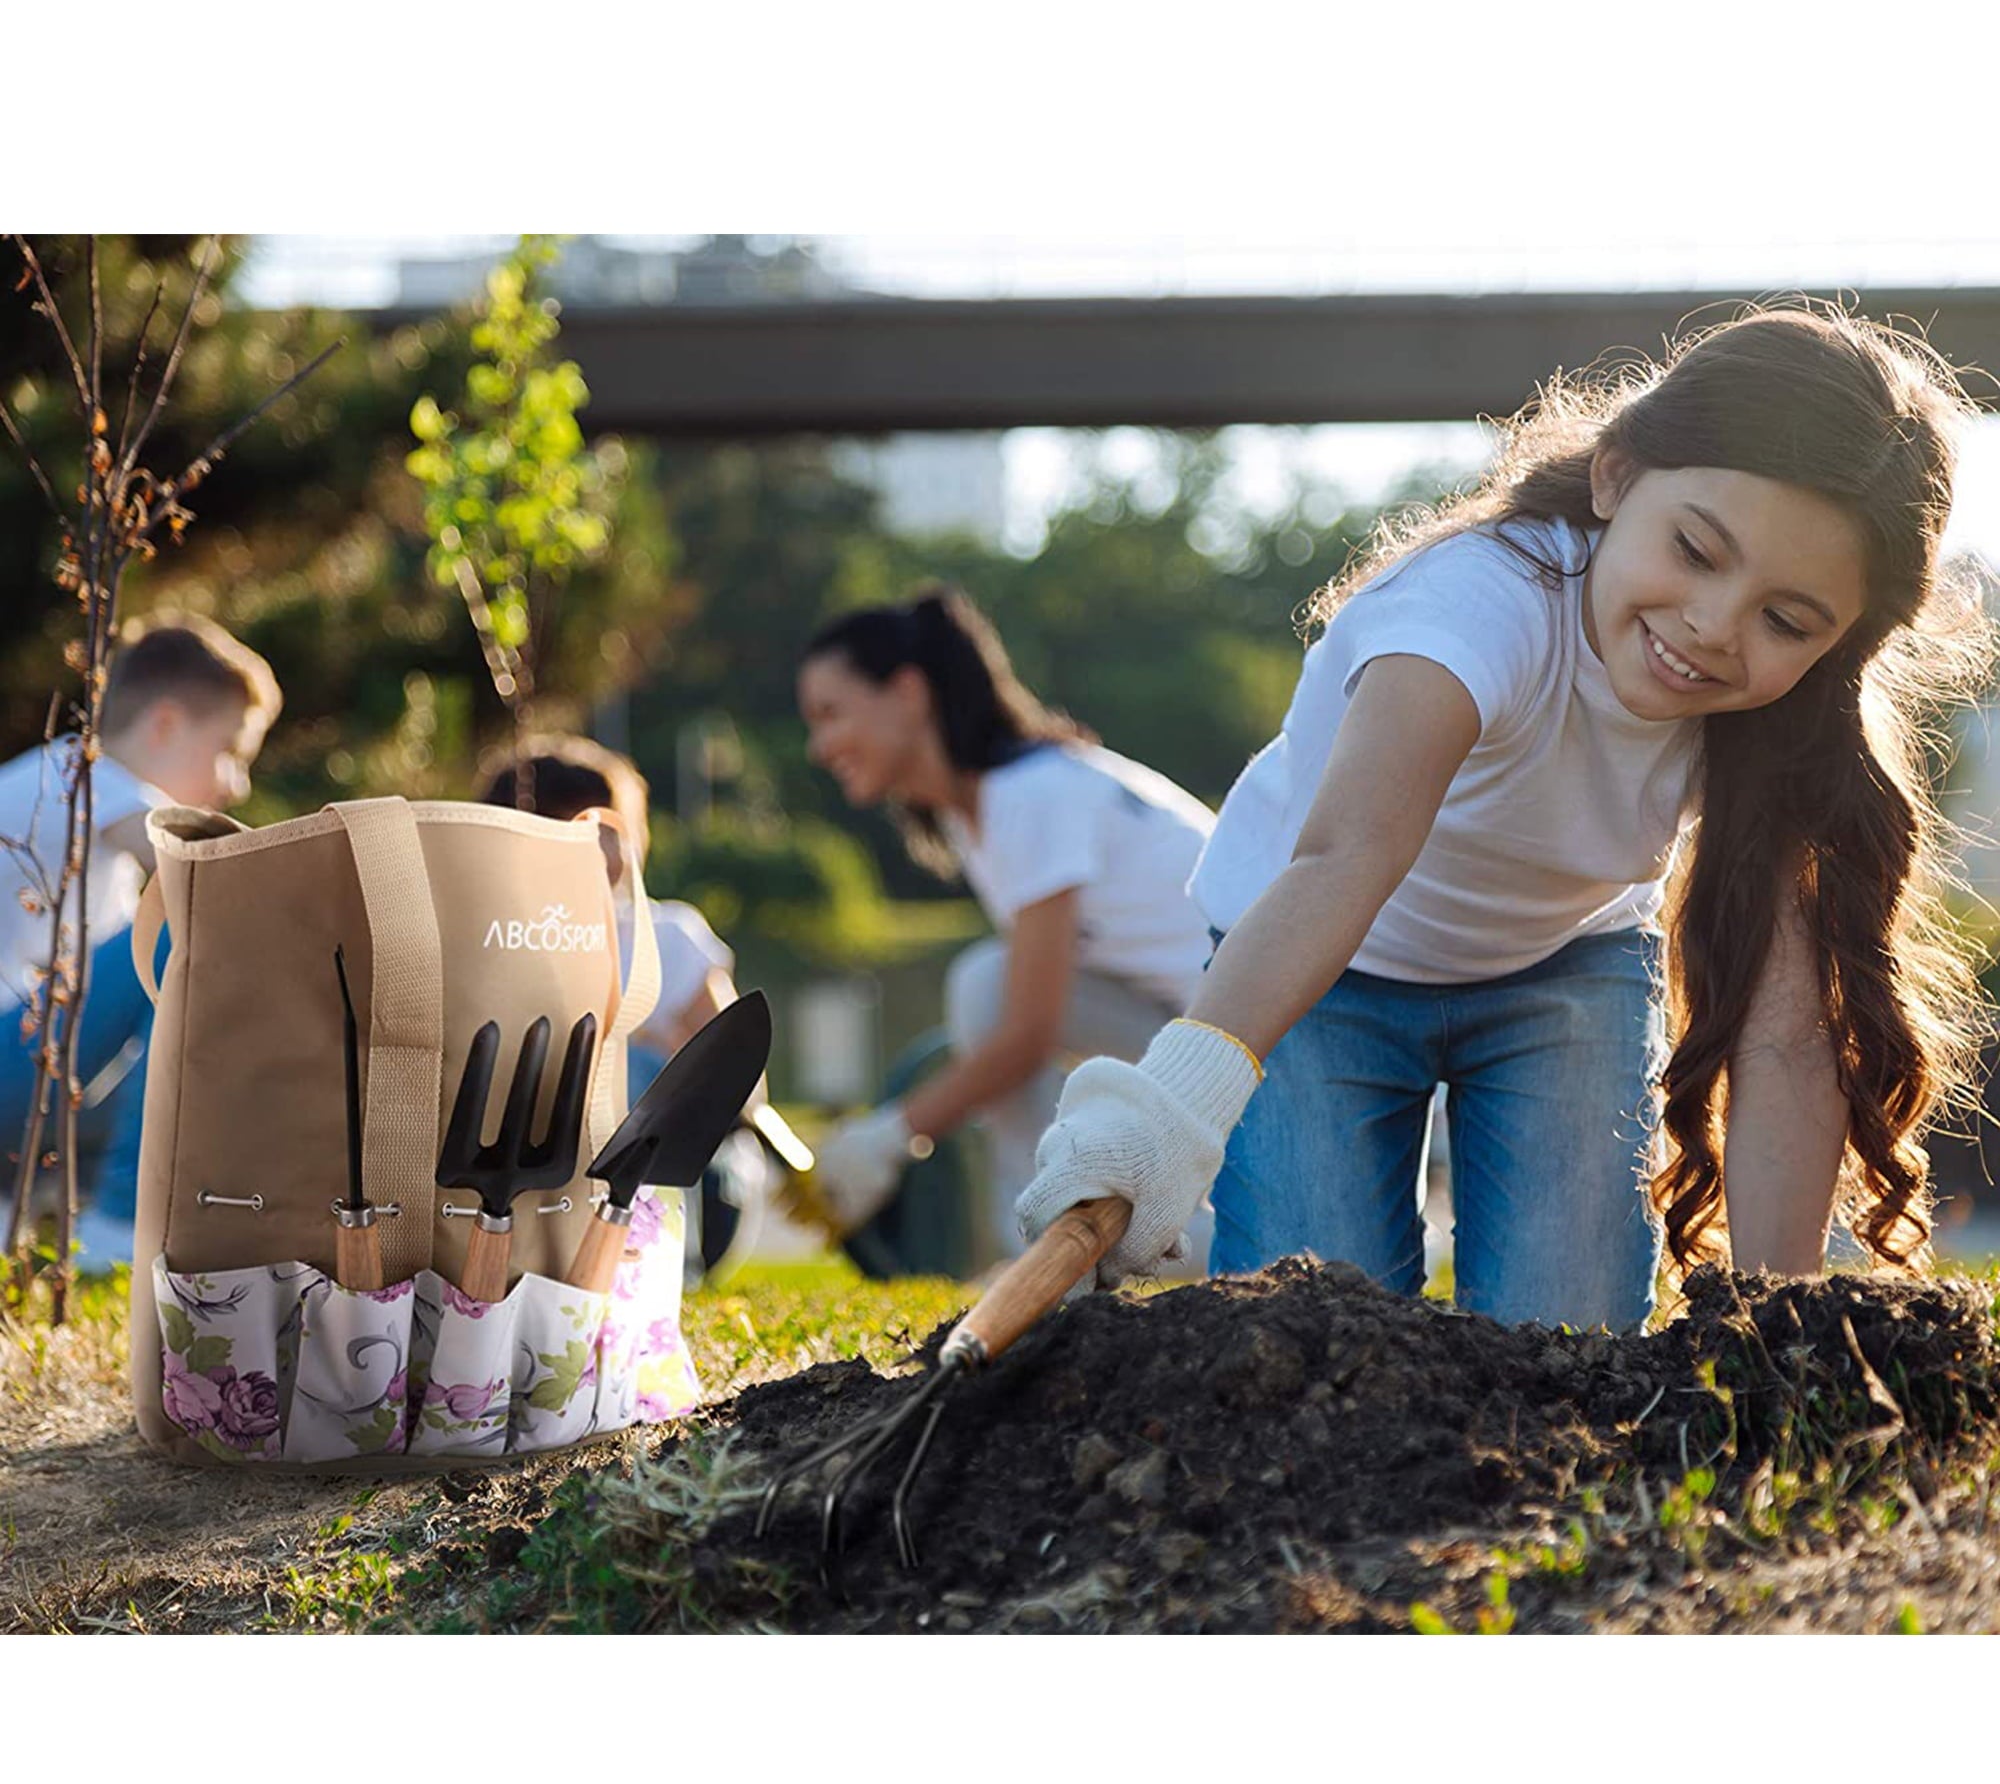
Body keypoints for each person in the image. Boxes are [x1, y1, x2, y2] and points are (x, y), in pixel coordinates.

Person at [1016, 306, 1996, 1330]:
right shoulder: (1466, 615)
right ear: (1615, 477)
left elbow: (1786, 1032)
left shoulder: (1786, 719)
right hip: (1322, 967)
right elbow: (1344, 859)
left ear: (1839, 639)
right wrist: (1165, 1114)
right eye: (1696, 551)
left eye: (1784, 619)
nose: (1713, 627)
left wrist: (1774, 1322)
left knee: (1565, 1346)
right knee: (1313, 1325)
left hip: (1559, 972)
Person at [799, 585, 1219, 1267]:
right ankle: (1062, 1232)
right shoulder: (988, 811)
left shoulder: (1028, 794)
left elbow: (1026, 1034)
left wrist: (888, 1136)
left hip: (1266, 1052)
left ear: (908, 692)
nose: (820, 746)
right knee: (987, 982)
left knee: (986, 987)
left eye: (830, 713)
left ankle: (1061, 1239)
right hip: (1207, 1039)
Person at [0, 611, 282, 1270]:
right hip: (11, 1063)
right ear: (165, 725)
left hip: (26, 1073)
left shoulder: (72, 790)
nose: (236, 782)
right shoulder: (85, 774)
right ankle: (117, 1221)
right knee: (186, 931)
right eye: (231, 751)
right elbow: (212, 873)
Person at [473, 733, 769, 1272]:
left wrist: (639, 1037)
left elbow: (738, 1083)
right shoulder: (493, 939)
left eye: (613, 830)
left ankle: (649, 1252)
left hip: (678, 1173)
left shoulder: (668, 936)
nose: (605, 849)